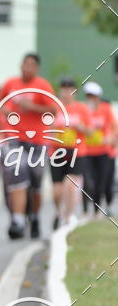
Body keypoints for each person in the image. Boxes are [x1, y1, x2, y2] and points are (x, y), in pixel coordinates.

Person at [0, 53, 56, 240]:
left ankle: (35, 217)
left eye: (31, 65)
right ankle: (18, 220)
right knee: (18, 177)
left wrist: (31, 106)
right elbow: (1, 103)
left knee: (36, 184)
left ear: (36, 68)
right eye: (25, 64)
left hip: (37, 141)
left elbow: (53, 109)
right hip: (14, 138)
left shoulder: (43, 86)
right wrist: (5, 112)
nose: (27, 68)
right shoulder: (10, 84)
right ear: (20, 65)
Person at [49, 78, 90, 228]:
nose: (66, 92)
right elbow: (46, 130)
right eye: (63, 89)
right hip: (57, 151)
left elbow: (90, 131)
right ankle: (58, 211)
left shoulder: (82, 109)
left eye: (69, 89)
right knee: (57, 191)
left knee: (70, 183)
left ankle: (69, 215)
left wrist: (79, 126)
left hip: (76, 151)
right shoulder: (55, 108)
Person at [82, 81, 117, 217]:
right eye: (88, 95)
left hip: (104, 152)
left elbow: (114, 127)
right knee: (88, 182)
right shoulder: (84, 109)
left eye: (94, 95)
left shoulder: (106, 109)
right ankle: (87, 211)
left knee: (102, 184)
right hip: (87, 152)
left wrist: (111, 138)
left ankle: (98, 211)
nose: (91, 98)